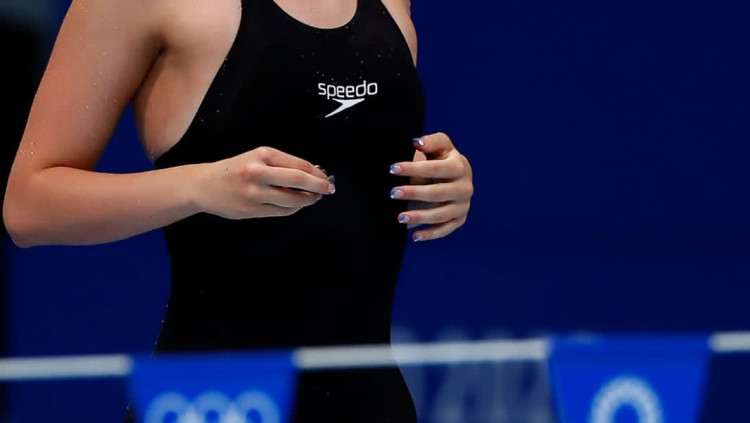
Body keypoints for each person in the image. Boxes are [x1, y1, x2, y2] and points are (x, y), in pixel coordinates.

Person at [3, 0, 473, 421]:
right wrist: (199, 186)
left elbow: (356, 169)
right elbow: (28, 206)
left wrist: (440, 180)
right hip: (212, 401)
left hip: (369, 399)